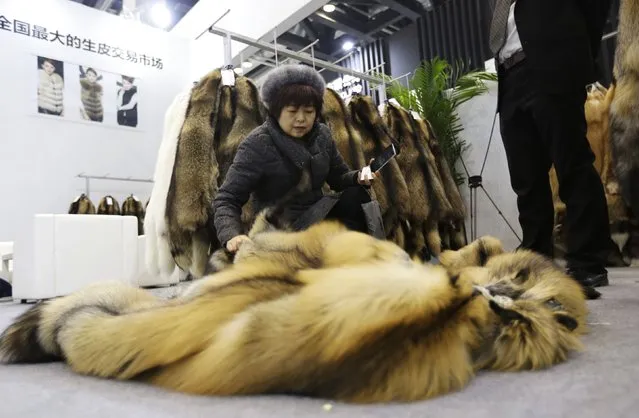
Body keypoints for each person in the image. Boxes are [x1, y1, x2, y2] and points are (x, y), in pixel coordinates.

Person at [489, 0, 615, 299]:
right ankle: (536, 257)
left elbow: (595, 9)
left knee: (572, 165)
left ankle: (587, 262)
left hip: (552, 68)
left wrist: (579, 56)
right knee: (526, 179)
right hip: (510, 80)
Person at [213, 64, 378, 253]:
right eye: (292, 111)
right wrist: (231, 235)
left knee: (356, 195)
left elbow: (339, 177)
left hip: (318, 215)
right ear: (276, 111)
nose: (301, 119)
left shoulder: (322, 135)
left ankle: (354, 259)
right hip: (279, 228)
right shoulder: (257, 144)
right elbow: (227, 198)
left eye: (309, 112)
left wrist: (358, 177)